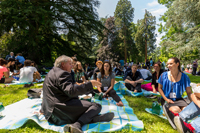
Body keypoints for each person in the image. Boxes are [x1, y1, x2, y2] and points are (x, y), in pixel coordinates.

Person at [41, 55, 114, 133]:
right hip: (60, 112)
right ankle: (77, 124)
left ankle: (93, 118)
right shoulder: (63, 73)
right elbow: (71, 91)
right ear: (63, 64)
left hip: (50, 112)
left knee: (85, 105)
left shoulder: (51, 72)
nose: (72, 66)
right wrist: (90, 84)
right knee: (96, 106)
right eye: (70, 64)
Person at [158, 57, 192, 129]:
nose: (168, 66)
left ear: (177, 64)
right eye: (168, 64)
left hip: (179, 99)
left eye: (171, 64)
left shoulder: (185, 77)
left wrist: (192, 103)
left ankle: (182, 123)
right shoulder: (163, 75)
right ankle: (182, 124)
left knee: (186, 110)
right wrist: (166, 99)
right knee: (176, 110)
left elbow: (189, 92)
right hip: (167, 99)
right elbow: (159, 88)